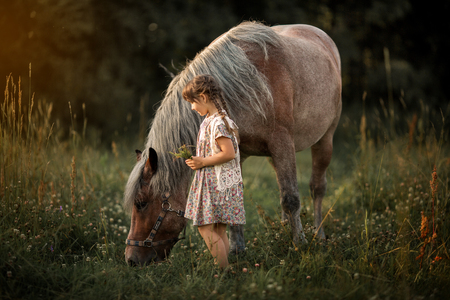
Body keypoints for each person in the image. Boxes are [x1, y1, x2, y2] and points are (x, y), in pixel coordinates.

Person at [182, 74, 245, 268]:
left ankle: (224, 269)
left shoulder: (218, 123)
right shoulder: (213, 119)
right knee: (218, 229)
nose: (192, 107)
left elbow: (229, 153)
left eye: (192, 102)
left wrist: (203, 162)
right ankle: (226, 269)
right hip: (219, 181)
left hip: (216, 183)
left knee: (205, 228)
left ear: (203, 97)